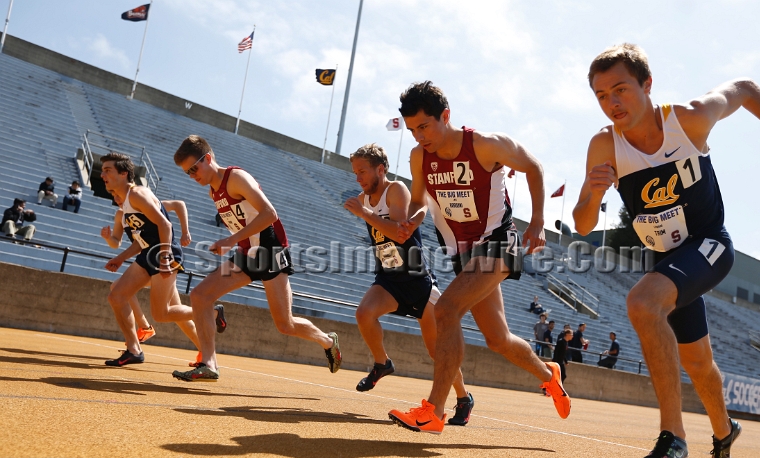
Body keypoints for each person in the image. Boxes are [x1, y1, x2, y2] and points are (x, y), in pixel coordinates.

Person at [573, 43, 760, 458]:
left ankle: (672, 434)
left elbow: (746, 88)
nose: (612, 103)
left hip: (709, 245)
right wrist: (593, 191)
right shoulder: (604, 144)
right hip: (668, 260)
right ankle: (724, 430)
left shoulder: (689, 119)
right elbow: (583, 224)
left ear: (647, 85)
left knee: (642, 303)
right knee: (698, 362)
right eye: (601, 96)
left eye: (620, 89)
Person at [387, 81, 570, 434]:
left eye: (424, 126)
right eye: (412, 130)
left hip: (499, 241)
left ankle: (434, 411)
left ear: (446, 116)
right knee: (498, 339)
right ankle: (550, 374)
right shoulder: (418, 157)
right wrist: (411, 220)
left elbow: (533, 167)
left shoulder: (486, 145)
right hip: (463, 252)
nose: (418, 137)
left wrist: (537, 222)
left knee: (446, 310)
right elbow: (420, 200)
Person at [172, 135, 342, 382]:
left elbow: (269, 214)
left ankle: (327, 341)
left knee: (285, 324)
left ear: (207, 158)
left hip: (270, 253)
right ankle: (208, 363)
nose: (191, 175)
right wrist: (235, 242)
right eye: (186, 173)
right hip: (246, 254)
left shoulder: (236, 178)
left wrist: (230, 240)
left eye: (193, 168)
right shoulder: (213, 192)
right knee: (200, 296)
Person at [344, 143, 475, 424]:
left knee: (436, 351)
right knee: (364, 314)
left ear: (381, 169)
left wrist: (365, 215)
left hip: (417, 280)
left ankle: (463, 397)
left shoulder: (396, 190)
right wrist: (366, 213)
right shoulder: (364, 199)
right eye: (355, 173)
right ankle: (382, 363)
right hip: (389, 277)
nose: (358, 178)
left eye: (362, 171)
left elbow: (401, 234)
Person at [100, 152, 202, 367]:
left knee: (163, 313)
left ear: (124, 174)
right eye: (102, 171)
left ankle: (209, 311)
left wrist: (165, 257)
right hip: (149, 253)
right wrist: (117, 255)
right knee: (117, 295)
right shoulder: (126, 207)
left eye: (107, 170)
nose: (102, 175)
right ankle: (134, 349)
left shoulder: (137, 194)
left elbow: (166, 225)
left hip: (162, 253)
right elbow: (139, 242)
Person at [101, 194, 194, 347]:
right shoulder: (120, 215)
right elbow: (116, 243)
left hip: (161, 260)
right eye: (114, 195)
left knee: (119, 289)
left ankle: (145, 327)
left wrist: (185, 231)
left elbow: (179, 204)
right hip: (148, 263)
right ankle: (205, 350)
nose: (117, 198)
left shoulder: (145, 204)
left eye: (119, 195)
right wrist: (108, 238)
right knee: (175, 314)